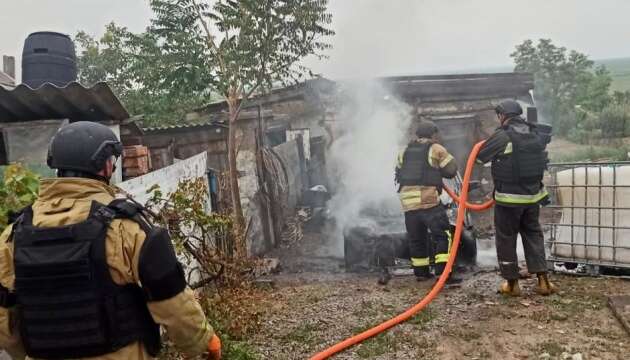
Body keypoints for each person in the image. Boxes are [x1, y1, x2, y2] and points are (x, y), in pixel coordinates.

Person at [0, 121, 221, 360]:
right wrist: (202, 342)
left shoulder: (14, 233)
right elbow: (170, 298)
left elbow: (4, 317)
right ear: (106, 166)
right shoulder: (126, 226)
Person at [476, 100, 557, 297]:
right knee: (533, 234)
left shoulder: (503, 136)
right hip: (532, 198)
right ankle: (544, 282)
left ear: (503, 115)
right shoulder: (535, 133)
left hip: (508, 200)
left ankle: (512, 284)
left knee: (506, 238)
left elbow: (480, 157)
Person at [395, 119, 460, 283]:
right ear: (433, 134)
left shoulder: (404, 150)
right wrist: (436, 171)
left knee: (416, 238)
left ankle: (421, 273)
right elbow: (452, 170)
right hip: (427, 200)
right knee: (443, 234)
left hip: (408, 202)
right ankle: (443, 273)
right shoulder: (436, 148)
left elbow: (399, 172)